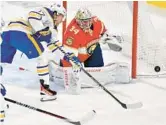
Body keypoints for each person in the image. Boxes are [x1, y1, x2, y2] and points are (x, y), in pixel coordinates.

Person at [0, 3, 82, 101]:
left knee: (2, 62)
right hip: (20, 32)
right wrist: (41, 30)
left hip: (6, 33)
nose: (62, 20)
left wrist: (68, 57)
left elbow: (54, 46)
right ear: (56, 13)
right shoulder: (47, 12)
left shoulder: (52, 29)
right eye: (62, 16)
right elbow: (32, 16)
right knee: (42, 57)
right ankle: (45, 91)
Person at [57, 8, 124, 94]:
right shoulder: (71, 32)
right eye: (83, 22)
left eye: (88, 21)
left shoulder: (97, 22)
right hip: (75, 57)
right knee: (71, 71)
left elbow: (104, 32)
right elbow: (67, 54)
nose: (86, 24)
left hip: (90, 51)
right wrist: (71, 67)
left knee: (98, 74)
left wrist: (108, 38)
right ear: (77, 21)